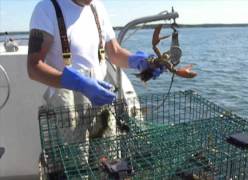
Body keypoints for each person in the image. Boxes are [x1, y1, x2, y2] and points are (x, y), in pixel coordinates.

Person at [28, 0, 163, 177]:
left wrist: (141, 62)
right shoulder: (47, 8)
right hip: (67, 103)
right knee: (73, 166)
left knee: (109, 160)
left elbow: (114, 52)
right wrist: (78, 82)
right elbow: (33, 67)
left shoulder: (97, 7)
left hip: (101, 95)